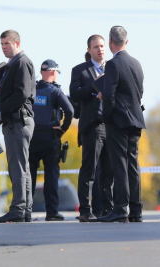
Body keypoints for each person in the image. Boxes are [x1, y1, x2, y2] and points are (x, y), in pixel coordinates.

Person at [98, 26, 145, 223]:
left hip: (119, 120)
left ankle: (120, 208)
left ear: (110, 42)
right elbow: (139, 92)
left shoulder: (112, 64)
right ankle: (136, 209)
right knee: (133, 165)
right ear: (126, 41)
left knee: (120, 165)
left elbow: (109, 96)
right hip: (136, 118)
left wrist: (107, 117)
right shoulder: (136, 63)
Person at [0, 30, 36, 223]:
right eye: (2, 44)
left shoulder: (21, 62)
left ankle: (18, 208)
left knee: (17, 166)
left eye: (7, 44)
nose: (4, 48)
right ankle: (23, 209)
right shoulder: (14, 63)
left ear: (17, 43)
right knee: (21, 166)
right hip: (17, 121)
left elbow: (22, 94)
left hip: (18, 121)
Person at [69, 35, 114, 222]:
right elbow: (74, 94)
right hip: (92, 126)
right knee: (89, 170)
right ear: (89, 50)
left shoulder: (113, 68)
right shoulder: (80, 70)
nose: (100, 49)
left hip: (111, 125)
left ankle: (107, 210)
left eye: (102, 46)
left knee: (108, 171)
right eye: (96, 47)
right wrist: (94, 88)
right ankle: (85, 211)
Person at [29, 60, 73, 221]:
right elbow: (70, 110)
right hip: (50, 137)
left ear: (42, 72)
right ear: (54, 72)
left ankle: (25, 210)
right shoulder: (56, 91)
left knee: (29, 175)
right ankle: (52, 212)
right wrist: (63, 128)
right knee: (51, 175)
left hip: (32, 136)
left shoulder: (31, 89)